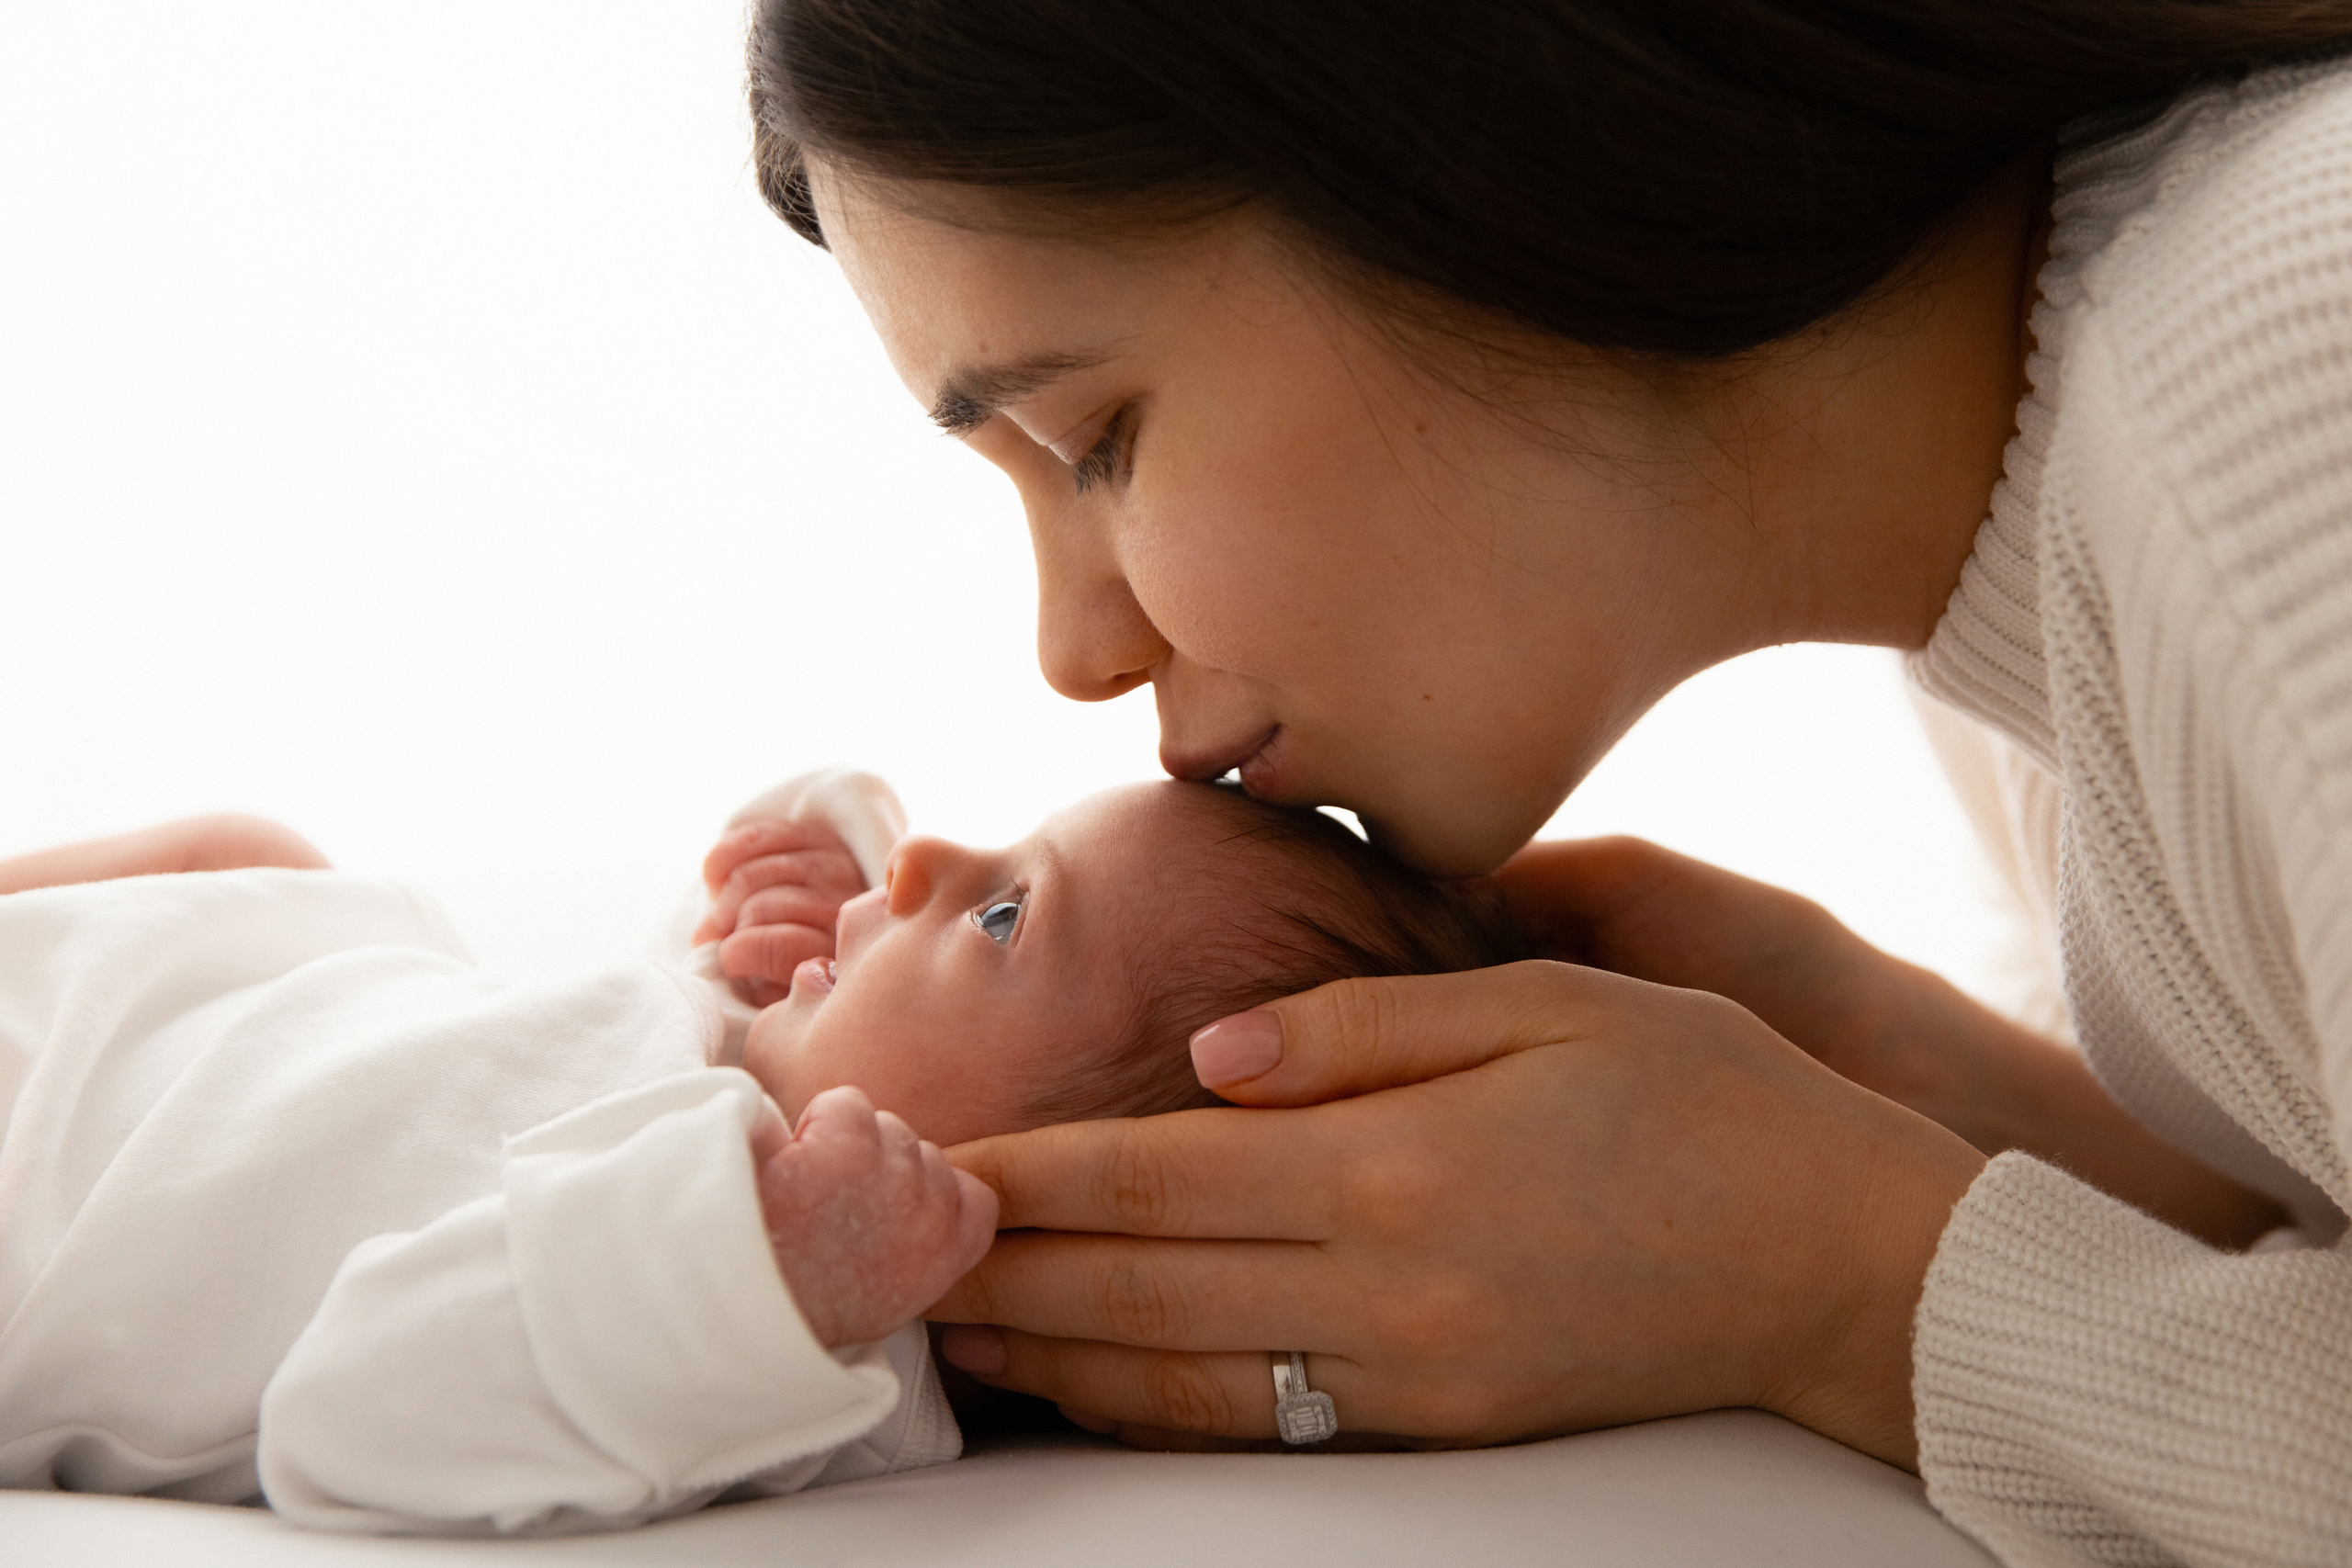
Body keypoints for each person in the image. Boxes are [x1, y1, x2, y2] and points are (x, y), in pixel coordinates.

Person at [746, 3, 2352, 1562]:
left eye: (1094, 438)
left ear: (1450, 162)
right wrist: (1936, 1082)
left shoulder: (2289, 413)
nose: (1074, 651)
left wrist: (1836, 1275)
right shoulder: (2042, 602)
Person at [0, 772, 1517, 1534]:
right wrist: (822, 863)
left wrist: (751, 1284)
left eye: (1000, 918)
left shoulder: (801, 1336)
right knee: (247, 859)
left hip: (53, 1194)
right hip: (185, 1008)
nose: (928, 863)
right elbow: (673, 973)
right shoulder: (759, 1043)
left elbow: (347, 1422)